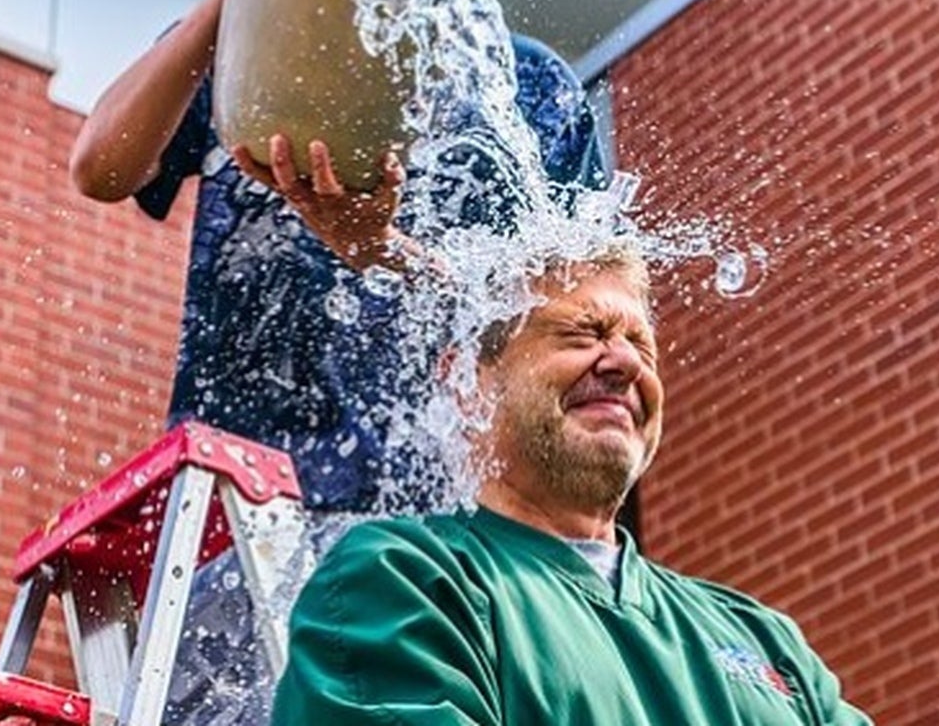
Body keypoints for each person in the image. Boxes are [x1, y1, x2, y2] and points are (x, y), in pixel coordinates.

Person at [68, 0, 607, 515]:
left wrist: (379, 248)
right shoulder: (277, 19)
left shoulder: (537, 87)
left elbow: (580, 306)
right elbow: (102, 166)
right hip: (247, 494)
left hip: (450, 508)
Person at [270, 249, 874, 724]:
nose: (626, 364)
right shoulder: (407, 581)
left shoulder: (764, 639)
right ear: (465, 384)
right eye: (583, 333)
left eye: (642, 346)